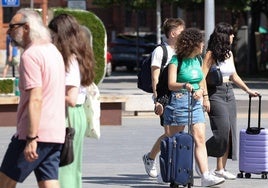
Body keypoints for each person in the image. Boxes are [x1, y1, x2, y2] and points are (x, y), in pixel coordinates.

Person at [0, 8, 66, 188]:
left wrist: (31, 138)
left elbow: (36, 97)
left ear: (26, 28)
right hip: (56, 133)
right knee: (49, 182)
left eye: (13, 27)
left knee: (4, 183)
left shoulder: (31, 55)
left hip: (34, 132)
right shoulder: (53, 51)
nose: (9, 31)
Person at [162, 28, 225, 187]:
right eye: (200, 42)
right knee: (175, 140)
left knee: (200, 138)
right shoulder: (176, 61)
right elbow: (170, 84)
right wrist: (185, 85)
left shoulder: (198, 59)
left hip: (195, 102)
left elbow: (201, 80)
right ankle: (171, 171)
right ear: (192, 44)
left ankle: (205, 176)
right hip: (179, 102)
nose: (203, 45)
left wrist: (203, 95)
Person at [201, 22, 259, 180]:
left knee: (230, 131)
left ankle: (221, 169)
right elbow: (201, 77)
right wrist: (205, 97)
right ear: (224, 36)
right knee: (222, 131)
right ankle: (201, 151)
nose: (233, 36)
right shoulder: (210, 54)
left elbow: (234, 76)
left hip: (229, 92)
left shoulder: (229, 54)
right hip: (215, 93)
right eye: (231, 34)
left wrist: (247, 90)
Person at [48, 14, 95, 188]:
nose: (50, 38)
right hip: (76, 114)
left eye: (53, 34)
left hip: (69, 114)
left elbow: (71, 98)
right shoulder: (80, 55)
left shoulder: (70, 59)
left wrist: (46, 93)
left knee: (64, 166)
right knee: (71, 166)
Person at [142, 18, 185, 178]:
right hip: (165, 97)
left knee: (178, 132)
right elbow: (155, 77)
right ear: (173, 33)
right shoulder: (160, 51)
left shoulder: (181, 51)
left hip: (180, 95)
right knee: (169, 133)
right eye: (181, 31)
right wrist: (157, 99)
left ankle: (151, 157)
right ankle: (163, 166)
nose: (184, 34)